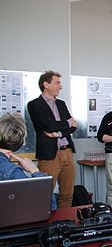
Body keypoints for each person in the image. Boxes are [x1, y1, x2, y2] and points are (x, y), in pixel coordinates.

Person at [27, 70, 77, 208]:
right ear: (46, 84)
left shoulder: (61, 103)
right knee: (44, 195)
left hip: (67, 152)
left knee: (67, 195)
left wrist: (59, 134)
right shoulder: (34, 104)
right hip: (49, 155)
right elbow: (49, 126)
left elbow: (74, 127)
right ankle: (47, 227)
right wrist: (67, 123)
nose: (60, 86)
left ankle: (66, 225)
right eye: (57, 83)